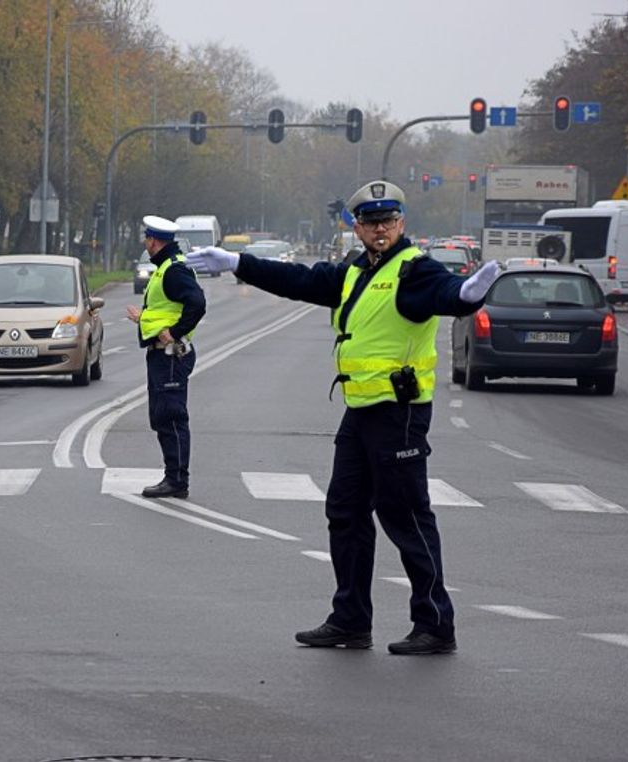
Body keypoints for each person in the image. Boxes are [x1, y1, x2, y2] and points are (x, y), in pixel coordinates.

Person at [186, 181, 501, 655]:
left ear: (402, 224)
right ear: (357, 228)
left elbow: (445, 293)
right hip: (360, 411)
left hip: (400, 413)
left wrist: (468, 295)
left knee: (406, 516)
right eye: (372, 222)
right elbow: (300, 280)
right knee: (345, 513)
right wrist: (239, 264)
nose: (381, 229)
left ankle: (436, 623)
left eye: (389, 221)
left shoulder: (414, 271)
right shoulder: (355, 274)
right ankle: (351, 619)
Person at [125, 215, 207, 499]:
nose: (146, 245)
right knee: (162, 417)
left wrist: (174, 332)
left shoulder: (173, 271)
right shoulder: (164, 269)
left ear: (155, 241)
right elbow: (166, 309)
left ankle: (177, 480)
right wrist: (145, 319)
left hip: (172, 355)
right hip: (162, 356)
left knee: (172, 417)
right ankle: (173, 476)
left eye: (147, 240)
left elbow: (197, 303)